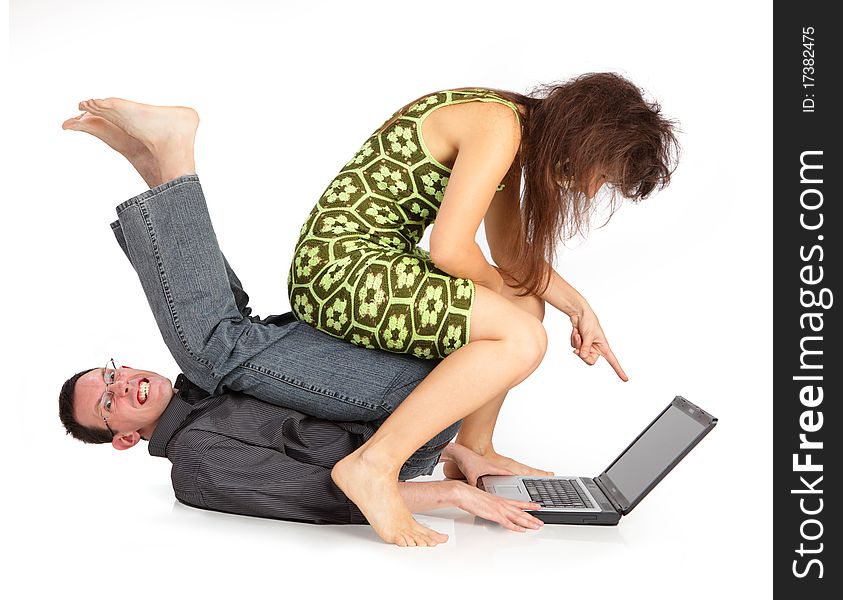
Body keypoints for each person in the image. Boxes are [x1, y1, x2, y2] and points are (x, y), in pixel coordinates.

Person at [58, 109, 544, 537]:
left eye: (111, 373)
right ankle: (172, 157)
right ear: (123, 437)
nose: (120, 385)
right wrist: (451, 496)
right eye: (107, 401)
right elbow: (323, 492)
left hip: (418, 399)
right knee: (218, 346)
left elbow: (325, 421)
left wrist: (459, 454)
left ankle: (158, 167)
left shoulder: (205, 395)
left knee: (229, 337)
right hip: (401, 406)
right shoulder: (195, 463)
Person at [284, 74, 679, 544]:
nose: (592, 191)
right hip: (338, 271)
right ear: (586, 136)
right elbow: (450, 249)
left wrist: (580, 310)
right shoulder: (498, 126)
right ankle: (373, 465)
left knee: (526, 302)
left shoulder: (514, 131)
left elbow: (511, 253)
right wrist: (499, 296)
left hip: (370, 261)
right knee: (522, 334)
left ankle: (473, 447)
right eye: (602, 174)